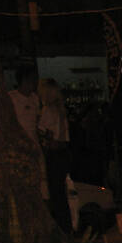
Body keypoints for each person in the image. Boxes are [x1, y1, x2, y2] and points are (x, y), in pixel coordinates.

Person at [38, 78, 72, 233]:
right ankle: (66, 226)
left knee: (55, 192)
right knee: (60, 193)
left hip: (54, 152)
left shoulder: (48, 110)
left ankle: (60, 227)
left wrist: (45, 140)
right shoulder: (60, 110)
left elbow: (42, 131)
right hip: (63, 152)